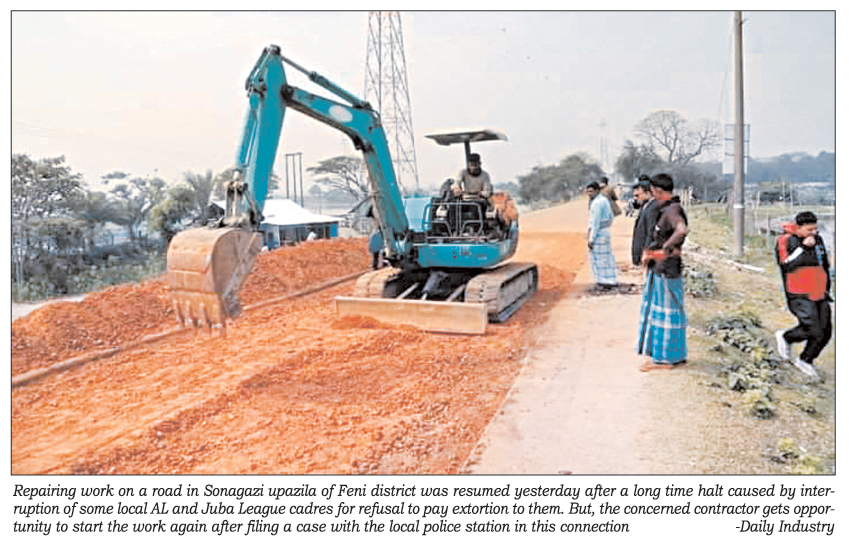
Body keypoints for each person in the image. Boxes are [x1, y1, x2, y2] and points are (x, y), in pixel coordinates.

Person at [636, 173, 689, 371]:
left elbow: (681, 230)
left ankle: (664, 360)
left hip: (666, 269)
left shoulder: (672, 210)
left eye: (652, 192)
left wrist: (664, 250)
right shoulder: (669, 209)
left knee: (666, 314)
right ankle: (674, 356)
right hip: (664, 268)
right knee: (670, 312)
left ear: (657, 191)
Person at [773, 211, 832, 379]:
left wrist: (827, 288)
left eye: (815, 229)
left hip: (820, 292)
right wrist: (804, 247)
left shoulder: (818, 239)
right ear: (798, 227)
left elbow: (824, 264)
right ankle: (786, 337)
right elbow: (786, 265)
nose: (814, 233)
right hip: (799, 292)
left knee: (826, 331)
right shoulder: (786, 240)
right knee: (812, 328)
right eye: (809, 230)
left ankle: (806, 360)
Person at [585, 181, 617, 291]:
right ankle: (610, 280)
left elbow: (595, 223)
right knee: (607, 257)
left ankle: (603, 281)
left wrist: (591, 239)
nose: (589, 194)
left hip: (599, 233)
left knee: (599, 258)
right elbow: (611, 216)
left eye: (591, 191)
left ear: (597, 191)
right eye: (588, 191)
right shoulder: (604, 200)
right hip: (605, 231)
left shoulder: (597, 203)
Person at [630, 175, 660, 267]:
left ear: (648, 193)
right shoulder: (646, 206)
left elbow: (650, 233)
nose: (636, 198)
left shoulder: (653, 208)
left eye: (637, 195)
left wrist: (646, 252)